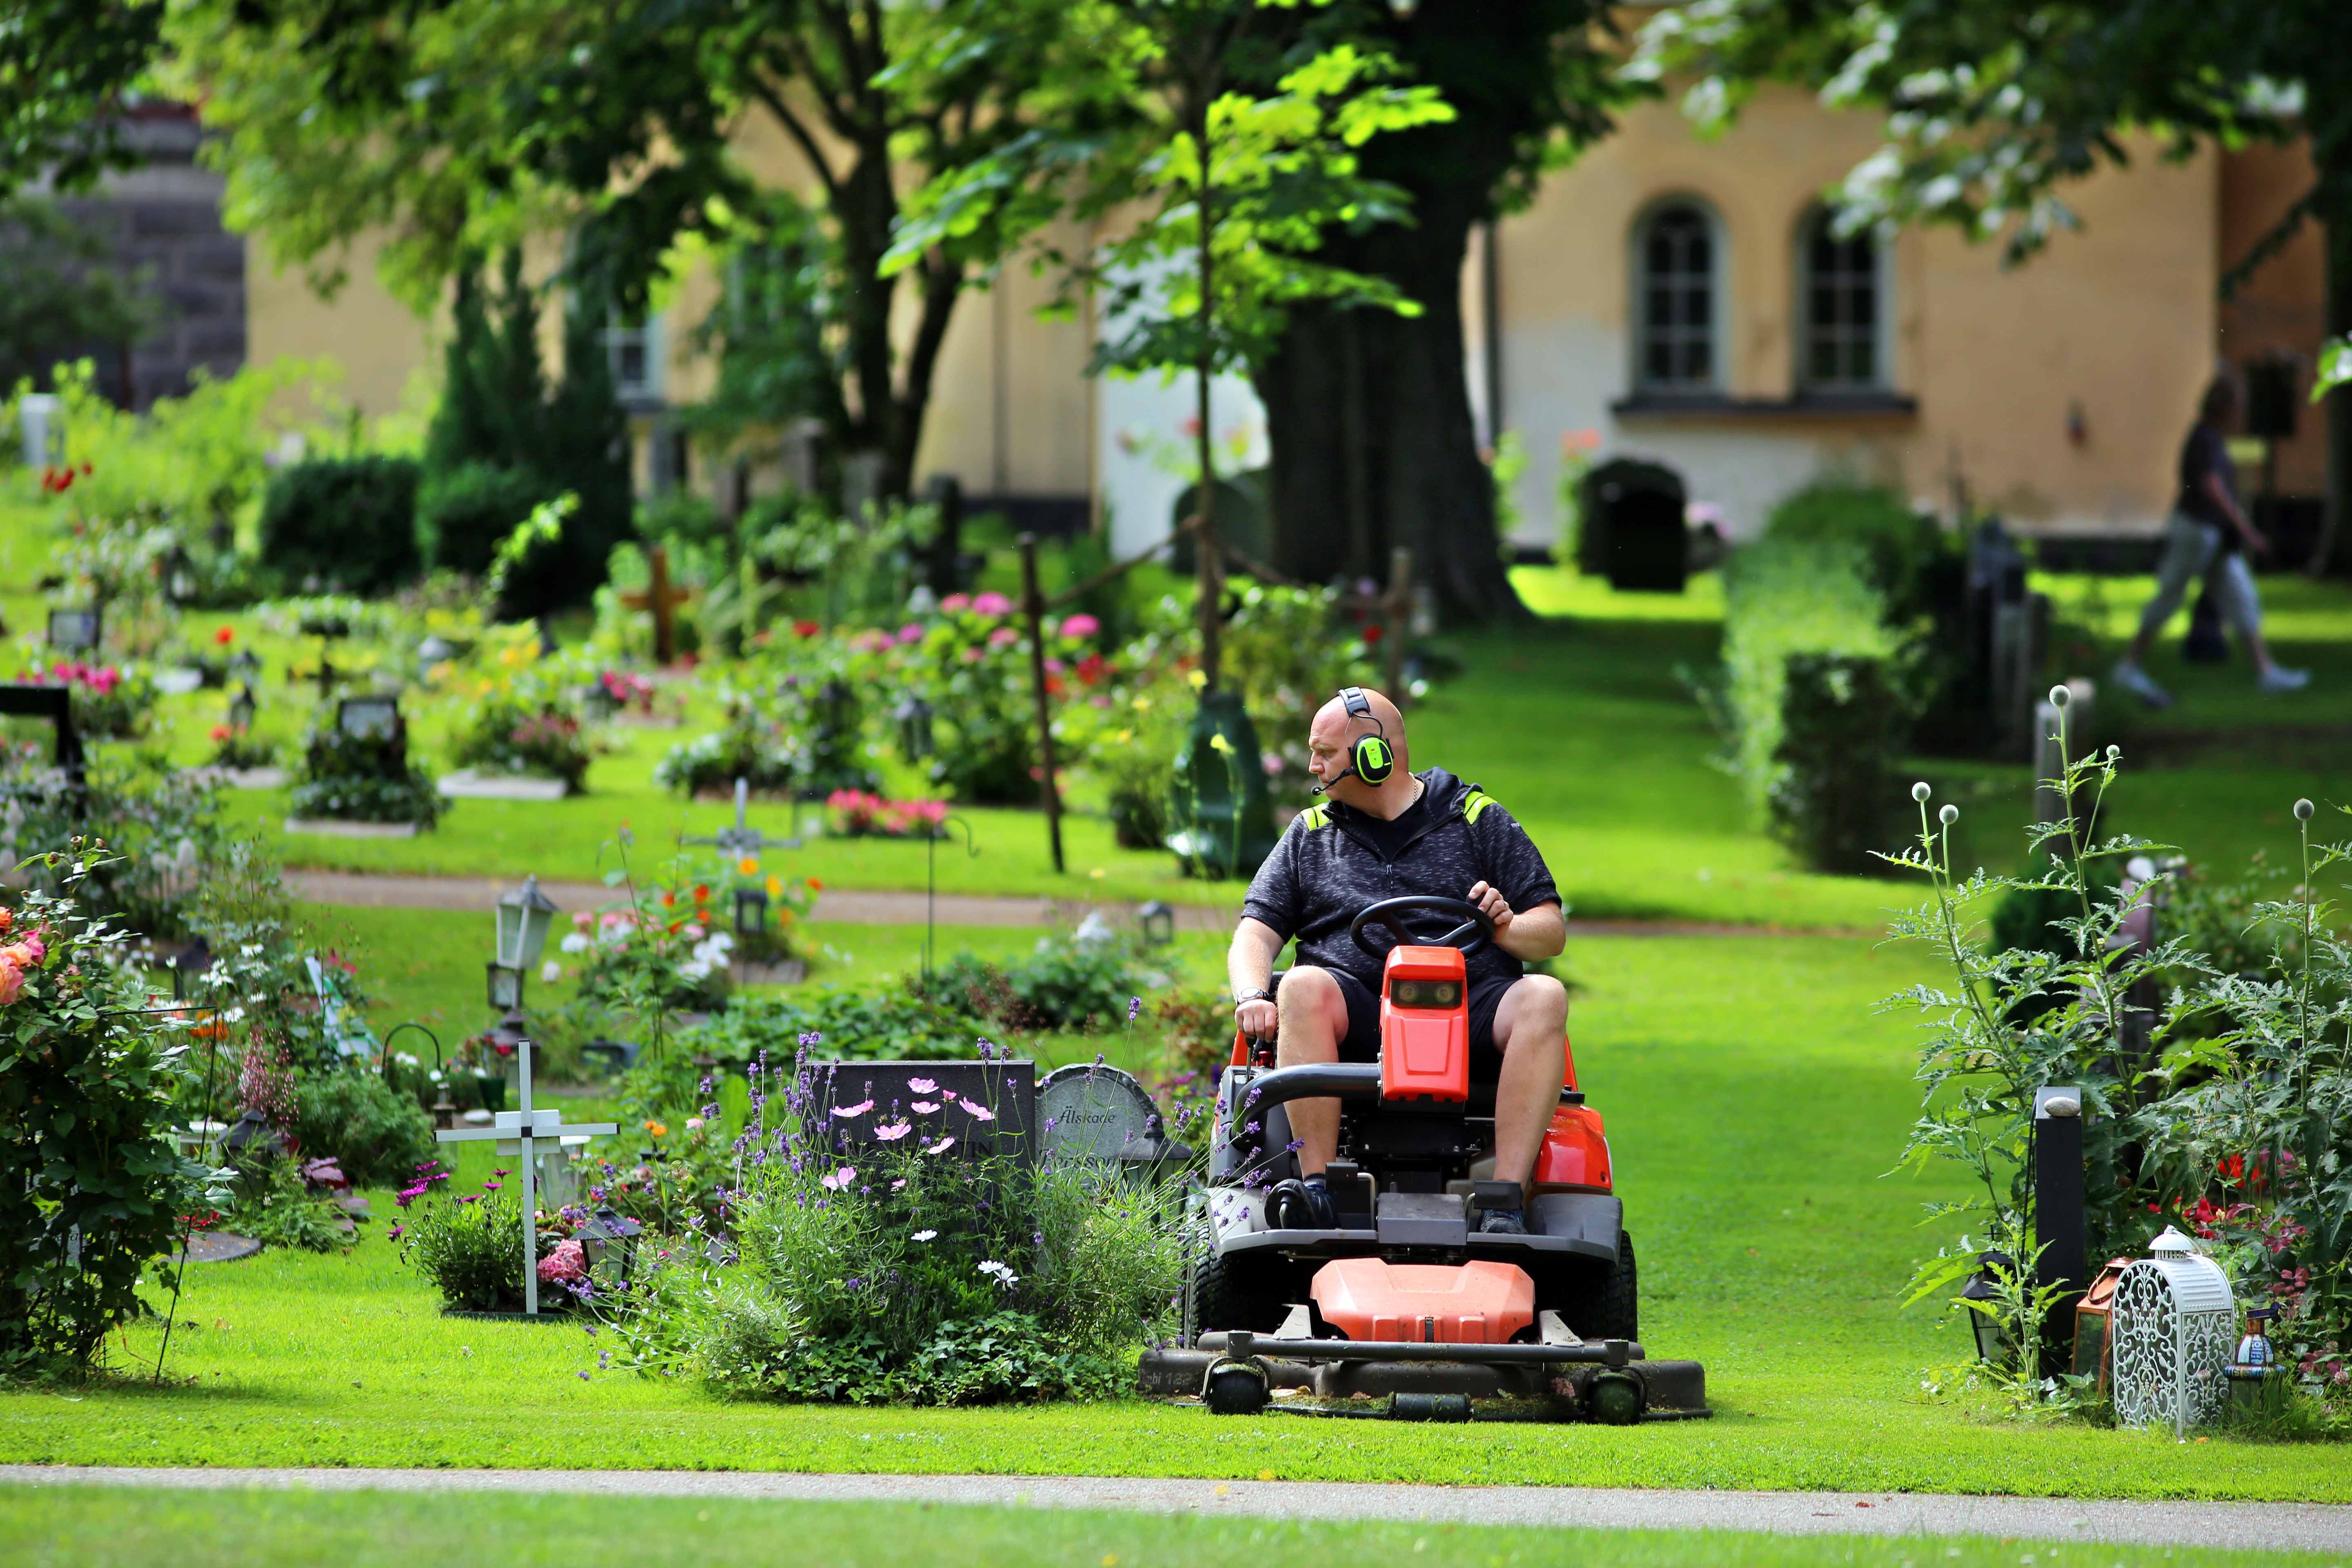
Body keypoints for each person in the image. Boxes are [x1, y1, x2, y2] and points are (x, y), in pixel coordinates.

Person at [1227, 687, 1568, 1236]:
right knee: (1300, 986)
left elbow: (1549, 933)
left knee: (1545, 996)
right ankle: (1318, 1190)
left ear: (1373, 754)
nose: (1313, 766)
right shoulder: (1310, 835)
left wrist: (1506, 927)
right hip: (1355, 1018)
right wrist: (1250, 995)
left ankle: (1505, 1197)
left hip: (1469, 1013)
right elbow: (1254, 935)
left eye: (1324, 752)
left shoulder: (1478, 819)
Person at [2111, 377, 2309, 706]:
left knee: (2241, 595)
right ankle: (2129, 664)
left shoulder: (2211, 439)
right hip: (2196, 531)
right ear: (2227, 408)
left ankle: (2266, 671)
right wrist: (2246, 530)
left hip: (2215, 536)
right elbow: (2213, 489)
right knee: (2171, 593)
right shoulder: (2204, 440)